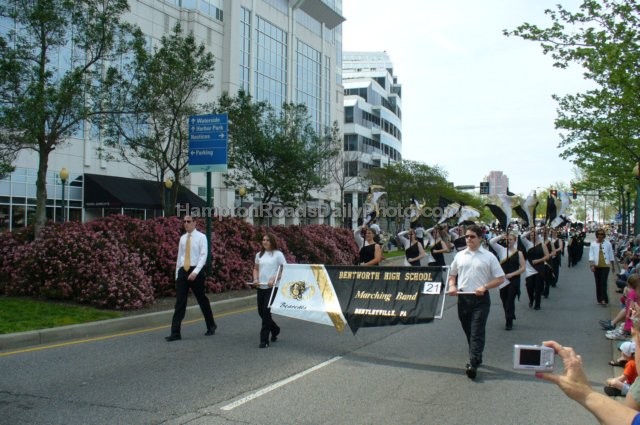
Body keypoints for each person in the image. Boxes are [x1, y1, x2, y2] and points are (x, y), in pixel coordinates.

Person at [446, 224, 505, 380]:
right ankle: (476, 356)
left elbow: (500, 278)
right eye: (467, 236)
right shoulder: (460, 256)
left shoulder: (489, 257)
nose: (469, 239)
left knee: (477, 330)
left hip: (480, 299)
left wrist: (485, 286)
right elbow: (452, 274)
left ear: (480, 238)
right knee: (469, 331)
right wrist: (452, 285)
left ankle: (473, 363)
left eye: (472, 236)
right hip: (463, 298)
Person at [536, 340, 640, 425]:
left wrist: (586, 393)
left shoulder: (631, 365)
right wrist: (586, 394)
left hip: (627, 387)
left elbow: (628, 417)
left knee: (611, 386)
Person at [165, 215, 217, 341]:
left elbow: (203, 256)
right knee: (180, 302)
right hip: (183, 271)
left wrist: (196, 272)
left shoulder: (201, 237)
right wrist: (178, 274)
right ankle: (175, 333)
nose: (186, 224)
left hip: (196, 271)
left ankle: (211, 325)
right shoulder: (183, 238)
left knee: (201, 299)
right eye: (184, 222)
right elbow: (180, 257)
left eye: (189, 221)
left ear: (195, 223)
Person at [252, 233, 287, 348]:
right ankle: (275, 329)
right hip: (261, 286)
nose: (265, 242)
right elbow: (255, 269)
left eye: (267, 240)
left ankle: (264, 340)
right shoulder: (259, 255)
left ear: (272, 242)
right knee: (261, 312)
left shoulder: (278, 255)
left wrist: (275, 278)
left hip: (272, 287)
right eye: (263, 240)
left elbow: (285, 269)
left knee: (266, 312)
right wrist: (255, 279)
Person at [488, 230, 526, 330]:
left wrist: (512, 274)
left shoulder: (519, 253)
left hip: (514, 280)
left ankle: (508, 321)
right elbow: (491, 242)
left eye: (511, 239)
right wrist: (501, 236)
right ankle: (510, 314)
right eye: (507, 239)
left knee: (510, 300)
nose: (508, 241)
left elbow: (523, 268)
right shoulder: (501, 250)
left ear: (515, 241)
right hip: (502, 280)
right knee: (504, 300)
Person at [520, 227, 550, 310]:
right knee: (529, 286)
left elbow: (547, 256)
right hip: (529, 269)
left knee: (538, 287)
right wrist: (531, 230)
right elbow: (522, 237)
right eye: (531, 235)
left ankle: (537, 304)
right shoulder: (527, 244)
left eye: (534, 234)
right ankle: (531, 299)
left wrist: (539, 260)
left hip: (539, 268)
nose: (532, 236)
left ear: (537, 235)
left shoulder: (542, 245)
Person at [589, 229, 616, 306]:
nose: (600, 236)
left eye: (602, 234)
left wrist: (613, 266)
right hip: (596, 266)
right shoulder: (593, 244)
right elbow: (591, 255)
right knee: (598, 282)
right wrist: (592, 265)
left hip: (605, 266)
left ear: (604, 235)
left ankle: (604, 299)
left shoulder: (608, 244)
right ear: (597, 235)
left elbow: (611, 254)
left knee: (603, 282)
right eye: (599, 234)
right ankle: (599, 299)